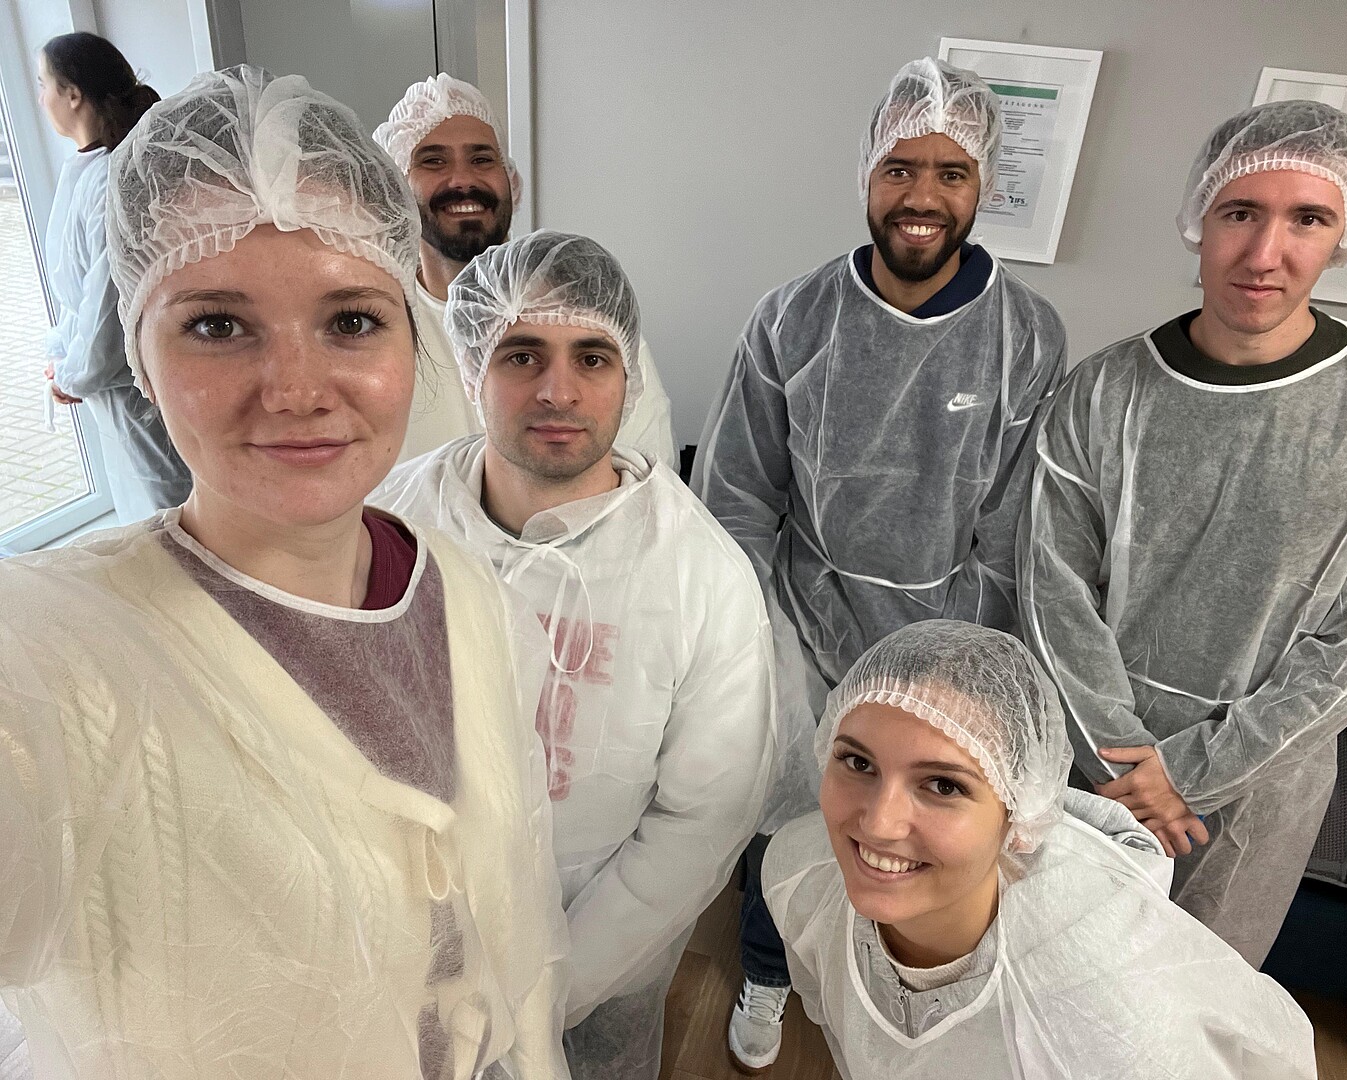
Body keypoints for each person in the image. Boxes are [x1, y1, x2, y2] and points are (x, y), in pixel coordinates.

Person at [0, 66, 569, 1079]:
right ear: (140, 357)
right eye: (217, 325)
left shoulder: (460, 588)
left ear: (414, 343)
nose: (297, 391)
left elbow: (509, 906)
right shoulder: (62, 657)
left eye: (351, 320)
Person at [691, 57, 1066, 1069]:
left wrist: (958, 664)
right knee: (786, 821)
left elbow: (1013, 528)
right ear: (867, 173)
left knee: (913, 838)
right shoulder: (792, 320)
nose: (922, 196)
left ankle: (893, 998)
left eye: (951, 172)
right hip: (804, 627)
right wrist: (765, 644)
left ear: (983, 186)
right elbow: (736, 497)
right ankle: (768, 972)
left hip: (945, 646)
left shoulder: (1025, 337)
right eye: (901, 168)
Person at [1019, 99, 1347, 967]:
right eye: (1240, 212)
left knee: (1189, 1001)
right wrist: (1124, 765)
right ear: (1198, 220)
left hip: (1259, 788)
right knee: (1046, 972)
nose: (1264, 253)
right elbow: (1053, 589)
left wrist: (1190, 774)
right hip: (1091, 758)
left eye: (1308, 219)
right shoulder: (1103, 392)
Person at [374, 229, 776, 1080]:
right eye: (522, 354)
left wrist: (556, 988)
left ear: (630, 379)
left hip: (605, 941)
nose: (558, 390)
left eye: (592, 357)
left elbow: (704, 816)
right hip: (409, 919)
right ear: (472, 365)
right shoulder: (392, 525)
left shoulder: (699, 574)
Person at [764, 620, 1318, 1079]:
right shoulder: (801, 879)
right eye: (857, 762)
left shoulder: (1111, 1026)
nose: (879, 824)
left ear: (1020, 818)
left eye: (943, 785)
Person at [373, 74, 677, 466]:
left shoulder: (586, 312)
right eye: (433, 160)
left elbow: (646, 472)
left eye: (482, 159)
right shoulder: (379, 327)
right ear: (396, 189)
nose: (462, 179)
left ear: (509, 177)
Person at [36, 31, 190, 522]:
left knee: (170, 513)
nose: (40, 98)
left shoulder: (110, 181)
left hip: (135, 389)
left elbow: (108, 307)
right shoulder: (90, 170)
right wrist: (65, 357)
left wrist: (73, 373)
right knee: (149, 511)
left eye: (43, 84)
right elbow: (82, 292)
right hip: (118, 392)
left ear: (72, 94)